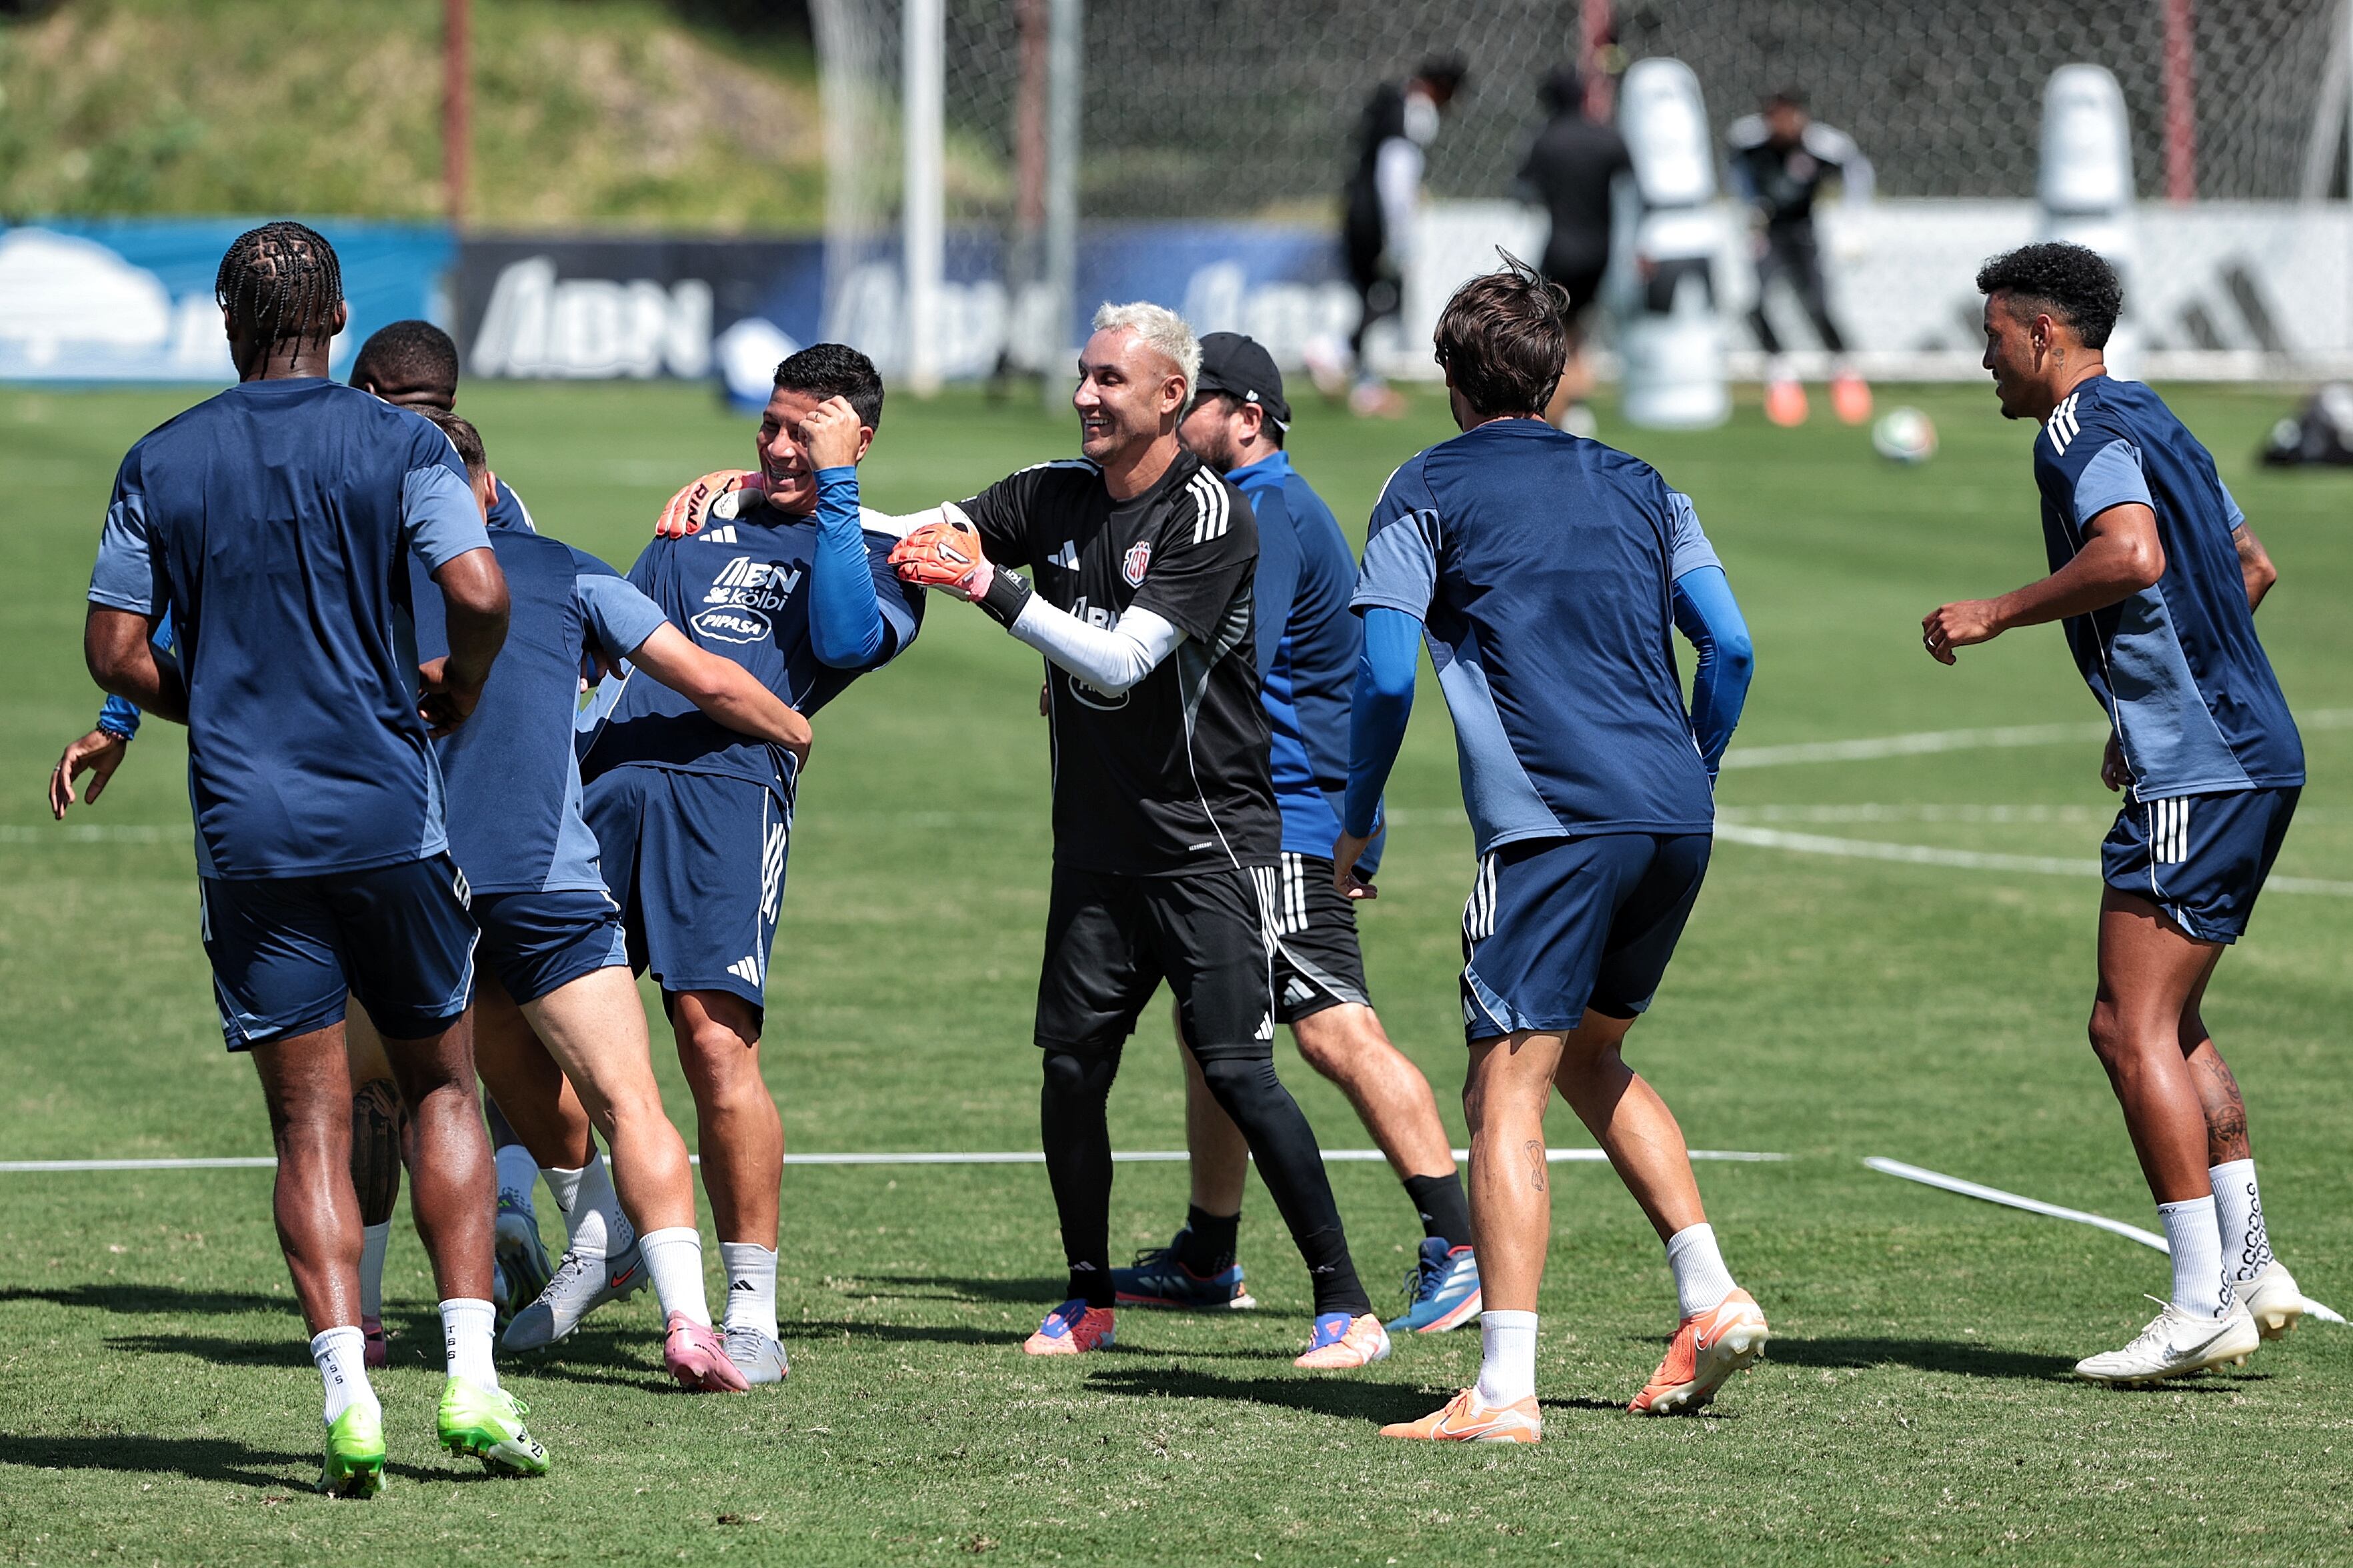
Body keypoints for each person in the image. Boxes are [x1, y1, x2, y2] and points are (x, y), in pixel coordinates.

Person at [80, 223, 545, 1493]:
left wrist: (220, 697)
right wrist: (454, 685)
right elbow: (485, 592)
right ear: (338, 320)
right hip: (388, 815)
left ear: (225, 324)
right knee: (444, 1089)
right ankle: (470, 1382)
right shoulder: (399, 441)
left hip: (248, 832)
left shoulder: (159, 458)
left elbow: (117, 655)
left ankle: (348, 1397)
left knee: (308, 1123)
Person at [887, 303, 1388, 1368]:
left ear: (1171, 397)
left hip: (1208, 848)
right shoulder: (1052, 492)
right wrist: (775, 500)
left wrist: (986, 586)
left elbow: (1118, 661)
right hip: (1097, 852)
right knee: (1071, 1070)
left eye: (1109, 380)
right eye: (1082, 375)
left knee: (1241, 1073)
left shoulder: (1213, 515)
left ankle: (1346, 1305)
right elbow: (933, 527)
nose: (1084, 397)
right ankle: (1087, 1297)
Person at [1342, 259, 1760, 1444]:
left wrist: (1357, 817)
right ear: (1559, 372)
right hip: (1672, 815)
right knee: (1589, 1056)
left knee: (1501, 1091)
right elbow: (1726, 648)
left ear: (1449, 376)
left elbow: (1380, 672)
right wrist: (1698, 763)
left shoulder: (1421, 485)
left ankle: (1504, 1387)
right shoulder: (1642, 481)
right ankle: (1707, 1291)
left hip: (1549, 826)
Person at [1923, 241, 2304, 1386]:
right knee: (2167, 1020)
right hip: (2239, 750)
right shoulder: (2152, 415)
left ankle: (2197, 1301)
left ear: (2042, 334)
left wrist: (1995, 610)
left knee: (2122, 1025)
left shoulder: (2076, 431)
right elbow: (2249, 564)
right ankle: (2249, 1267)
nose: (1980, 357)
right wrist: (2145, 699)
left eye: (1991, 335)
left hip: (2200, 765)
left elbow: (2129, 555)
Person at [409, 408, 821, 1391]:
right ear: (486, 484)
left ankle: (699, 1292)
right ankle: (648, 1280)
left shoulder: (373, 584)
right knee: (587, 1080)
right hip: (539, 872)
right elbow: (702, 673)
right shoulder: (561, 566)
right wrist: (789, 728)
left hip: (446, 878)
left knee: (432, 1089)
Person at [1108, 332, 1480, 1337]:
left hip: (1273, 815)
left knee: (1330, 1025)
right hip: (1268, 812)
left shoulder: (1261, 513)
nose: (1171, 417)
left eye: (1190, 402)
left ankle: (1460, 1240)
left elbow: (1230, 662)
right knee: (1211, 1025)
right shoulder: (1262, 505)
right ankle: (1208, 1250)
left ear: (1245, 416)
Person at [578, 344, 925, 1386]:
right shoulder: (695, 516)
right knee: (531, 1010)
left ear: (857, 441)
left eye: (803, 430)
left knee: (711, 1045)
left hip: (727, 799)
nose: (776, 446)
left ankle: (752, 1312)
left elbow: (842, 637)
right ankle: (608, 1224)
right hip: (607, 780)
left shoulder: (877, 551)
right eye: (768, 426)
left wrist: (833, 491)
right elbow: (614, 634)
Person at [1318, 53, 1467, 419]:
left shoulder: (1391, 104)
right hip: (1378, 219)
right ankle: (1334, 352)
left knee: (1368, 295)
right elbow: (1396, 176)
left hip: (1357, 210)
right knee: (1389, 296)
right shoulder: (1415, 113)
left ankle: (1363, 380)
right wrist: (1399, 237)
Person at [1725, 89, 1873, 428]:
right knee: (1758, 301)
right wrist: (1747, 213)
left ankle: (1843, 371)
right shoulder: (1747, 141)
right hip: (1766, 230)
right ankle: (1780, 376)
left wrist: (1855, 226)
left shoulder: (1826, 146)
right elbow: (1736, 173)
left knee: (1819, 303)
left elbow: (1858, 174)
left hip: (1804, 231)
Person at [1516, 65, 1631, 437]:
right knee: (1581, 329)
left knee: (1553, 330)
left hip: (1561, 249)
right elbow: (1632, 182)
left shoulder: (1546, 140)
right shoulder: (1605, 137)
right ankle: (1579, 402)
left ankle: (1562, 409)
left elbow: (1524, 191)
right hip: (1601, 251)